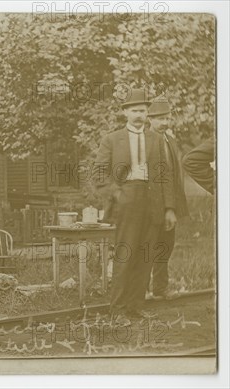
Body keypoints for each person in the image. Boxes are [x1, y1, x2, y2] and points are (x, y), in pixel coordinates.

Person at [93, 88, 176, 326]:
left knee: (146, 255)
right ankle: (117, 310)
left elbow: (165, 176)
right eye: (134, 110)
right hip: (126, 201)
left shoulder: (156, 139)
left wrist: (169, 208)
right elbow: (99, 173)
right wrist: (117, 195)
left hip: (153, 202)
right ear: (125, 112)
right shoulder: (112, 139)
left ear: (147, 113)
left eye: (143, 110)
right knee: (125, 254)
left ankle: (135, 307)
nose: (139, 115)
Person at [147, 97, 189, 300]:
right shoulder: (144, 140)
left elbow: (172, 176)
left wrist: (171, 208)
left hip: (169, 204)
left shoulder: (170, 141)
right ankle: (141, 290)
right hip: (150, 205)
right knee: (147, 248)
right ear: (150, 119)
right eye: (159, 118)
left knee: (165, 246)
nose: (164, 122)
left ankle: (160, 289)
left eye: (167, 118)